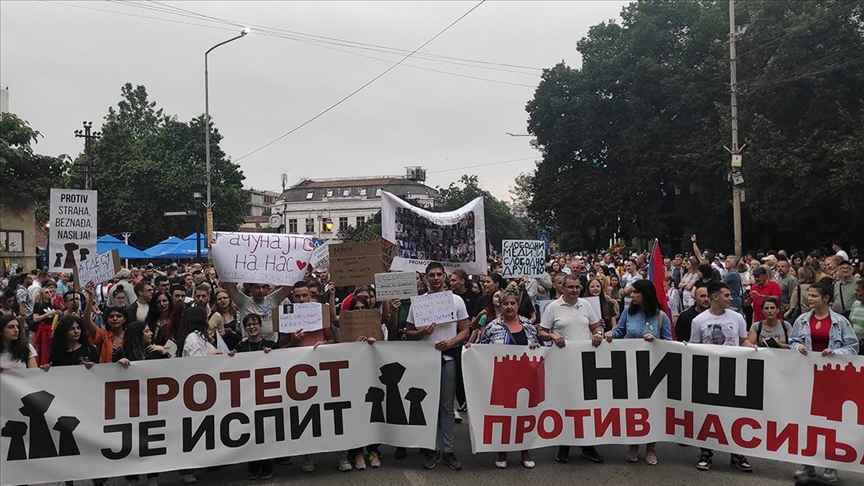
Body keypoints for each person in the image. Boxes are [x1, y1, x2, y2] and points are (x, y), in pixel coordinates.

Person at [788, 281, 859, 483]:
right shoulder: (802, 320)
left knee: (831, 423)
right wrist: (798, 347)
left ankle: (830, 465)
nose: (809, 298)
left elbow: (852, 347)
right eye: (809, 295)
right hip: (806, 378)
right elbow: (792, 341)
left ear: (826, 299)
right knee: (807, 421)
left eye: (813, 295)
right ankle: (807, 463)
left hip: (832, 379)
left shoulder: (840, 322)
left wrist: (835, 352)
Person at [406, 262, 470, 471]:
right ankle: (432, 449)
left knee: (446, 406)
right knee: (429, 406)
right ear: (426, 278)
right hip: (426, 360)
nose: (435, 278)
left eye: (439, 274)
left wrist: (452, 342)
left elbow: (464, 330)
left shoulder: (456, 300)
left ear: (444, 276)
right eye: (431, 275)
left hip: (448, 358)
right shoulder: (418, 303)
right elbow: (409, 332)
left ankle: (449, 450)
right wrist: (422, 333)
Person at [467, 288, 540, 469]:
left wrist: (537, 346)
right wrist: (471, 349)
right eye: (505, 303)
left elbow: (538, 347)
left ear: (518, 305)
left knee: (523, 415)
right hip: (502, 379)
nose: (509, 306)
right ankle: (502, 450)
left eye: (512, 303)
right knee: (504, 415)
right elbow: (483, 350)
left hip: (525, 378)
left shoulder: (528, 325)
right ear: (500, 305)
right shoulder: (493, 326)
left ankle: (525, 450)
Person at [538, 273, 605, 464]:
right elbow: (541, 332)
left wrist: (598, 333)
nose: (575, 290)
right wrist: (552, 336)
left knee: (586, 405)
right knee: (565, 404)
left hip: (585, 364)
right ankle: (564, 446)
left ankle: (588, 446)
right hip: (563, 365)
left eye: (577, 287)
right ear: (563, 288)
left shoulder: (586, 305)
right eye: (571, 287)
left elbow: (594, 327)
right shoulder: (553, 307)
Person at [604, 279, 672, 465]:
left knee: (651, 408)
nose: (631, 295)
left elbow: (669, 343)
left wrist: (655, 341)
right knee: (633, 407)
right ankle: (633, 444)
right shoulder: (628, 312)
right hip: (630, 368)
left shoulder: (660, 317)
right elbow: (620, 331)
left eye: (635, 292)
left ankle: (651, 447)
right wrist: (611, 334)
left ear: (645, 294)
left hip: (653, 371)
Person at [689, 281, 754, 473]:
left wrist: (749, 346)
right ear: (714, 297)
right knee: (709, 415)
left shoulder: (737, 317)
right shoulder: (699, 321)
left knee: (733, 414)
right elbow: (695, 347)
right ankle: (706, 452)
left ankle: (736, 453)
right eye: (726, 295)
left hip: (733, 372)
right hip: (709, 374)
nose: (731, 298)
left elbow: (743, 339)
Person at [229, 313, 276, 480]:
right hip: (247, 397)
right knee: (249, 430)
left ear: (261, 326)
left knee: (265, 431)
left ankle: (267, 464)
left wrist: (271, 354)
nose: (252, 327)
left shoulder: (270, 345)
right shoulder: (240, 347)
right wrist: (231, 357)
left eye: (255, 324)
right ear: (244, 328)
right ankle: (253, 466)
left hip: (266, 396)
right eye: (248, 325)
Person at [344, 296, 384, 470]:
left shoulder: (375, 325)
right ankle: (357, 451)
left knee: (372, 412)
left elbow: (384, 349)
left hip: (371, 375)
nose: (360, 311)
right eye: (356, 308)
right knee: (356, 413)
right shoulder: (347, 328)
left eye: (363, 308)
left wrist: (375, 344)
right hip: (353, 377)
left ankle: (373, 449)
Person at [849, 280, 864, 355]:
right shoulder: (855, 304)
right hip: (854, 344)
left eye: (858, 290)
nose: (855, 293)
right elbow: (851, 322)